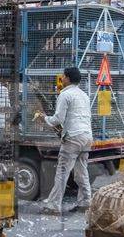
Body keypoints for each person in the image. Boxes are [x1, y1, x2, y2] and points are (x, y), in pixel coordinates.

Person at [34, 67, 93, 215]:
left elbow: (58, 119)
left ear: (67, 78)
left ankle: (53, 207)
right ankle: (86, 203)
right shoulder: (84, 95)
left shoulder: (65, 94)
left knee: (62, 172)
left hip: (73, 138)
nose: (61, 78)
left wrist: (43, 118)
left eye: (63, 76)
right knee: (81, 172)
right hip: (87, 136)